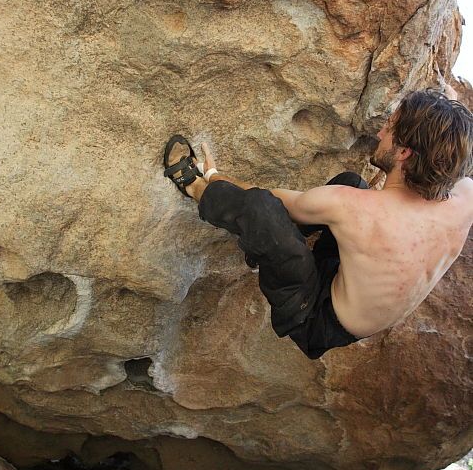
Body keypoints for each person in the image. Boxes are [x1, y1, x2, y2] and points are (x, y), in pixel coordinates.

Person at [163, 89, 473, 359]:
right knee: (353, 181)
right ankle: (267, 247)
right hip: (353, 292)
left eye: (389, 128)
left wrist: (214, 176)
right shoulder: (465, 198)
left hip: (315, 319)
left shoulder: (354, 209)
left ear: (404, 153)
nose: (380, 134)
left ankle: (194, 187)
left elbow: (267, 198)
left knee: (263, 212)